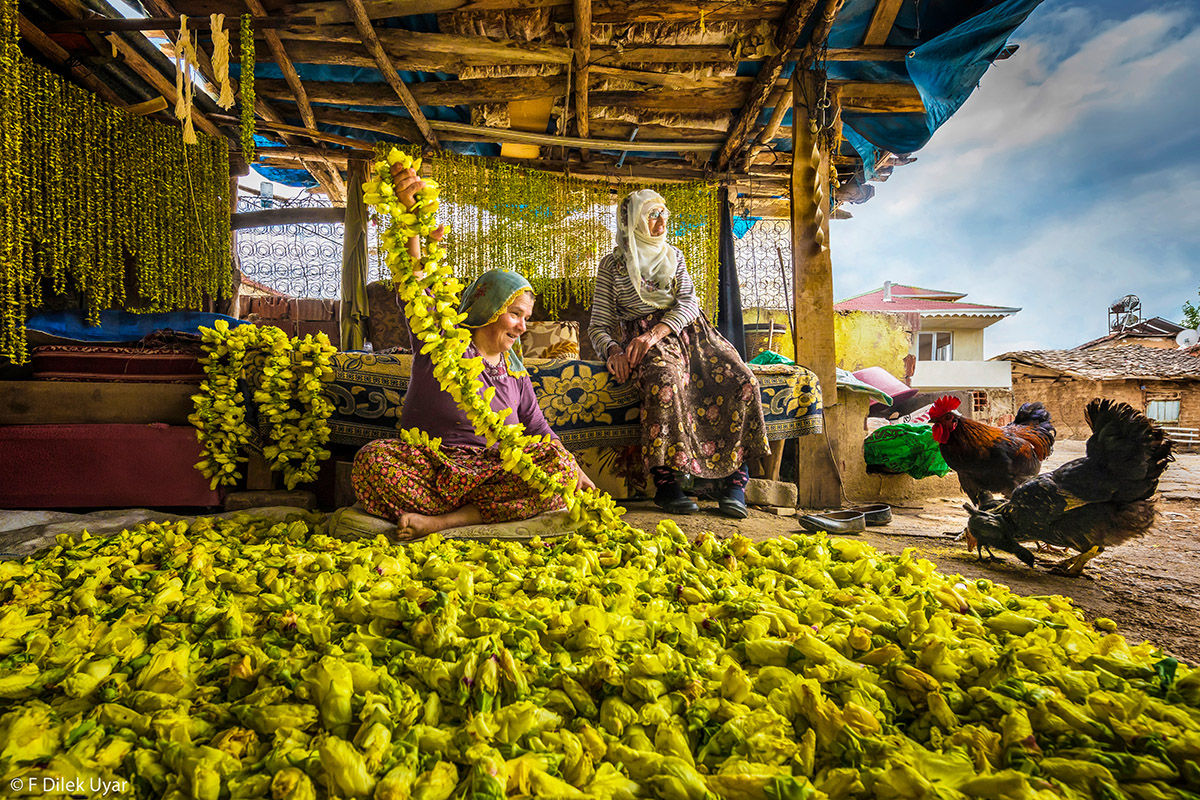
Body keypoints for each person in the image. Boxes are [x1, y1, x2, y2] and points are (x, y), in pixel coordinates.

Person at [352, 167, 595, 540]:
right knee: (373, 461)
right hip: (432, 466)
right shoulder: (444, 344)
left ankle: (446, 521)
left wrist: (573, 468)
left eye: (526, 318)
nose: (522, 327)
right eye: (515, 314)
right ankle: (480, 513)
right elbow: (417, 286)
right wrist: (413, 219)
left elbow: (539, 429)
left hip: (493, 472)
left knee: (556, 465)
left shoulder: (516, 373)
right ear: (488, 310)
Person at [588, 189, 769, 518]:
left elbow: (688, 303)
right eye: (652, 214)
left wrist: (655, 332)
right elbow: (598, 325)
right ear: (633, 221)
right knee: (666, 381)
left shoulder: (675, 255)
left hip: (690, 332)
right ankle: (667, 485)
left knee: (742, 379)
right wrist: (613, 349)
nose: (661, 221)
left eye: (663, 214)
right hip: (645, 342)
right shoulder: (613, 266)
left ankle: (733, 483)